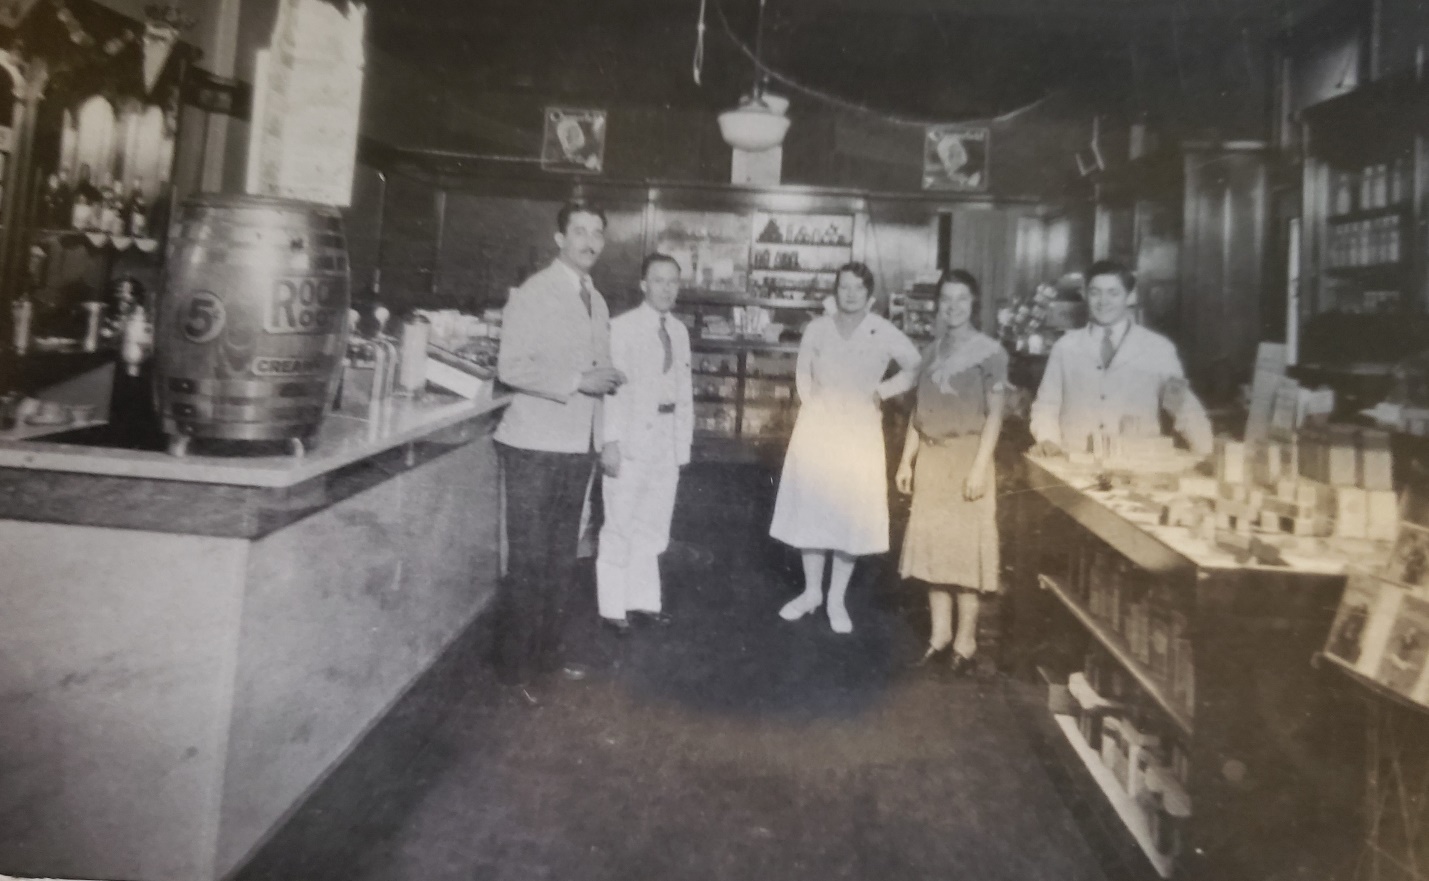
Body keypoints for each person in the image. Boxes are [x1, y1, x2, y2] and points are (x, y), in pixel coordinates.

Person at [493, 200, 626, 696]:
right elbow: (511, 368)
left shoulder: (597, 298)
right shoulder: (534, 292)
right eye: (579, 232)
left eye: (597, 233)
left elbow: (598, 372)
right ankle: (517, 671)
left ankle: (546, 658)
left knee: (560, 559)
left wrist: (606, 387)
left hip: (576, 447)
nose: (589, 242)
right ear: (559, 238)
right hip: (532, 446)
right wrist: (579, 380)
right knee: (529, 561)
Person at [770, 261, 922, 634]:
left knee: (849, 514)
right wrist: (811, 404)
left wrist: (881, 392)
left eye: (857, 288)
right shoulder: (818, 327)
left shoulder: (882, 330)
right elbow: (803, 370)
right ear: (835, 291)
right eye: (843, 287)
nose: (849, 294)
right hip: (818, 430)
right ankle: (811, 593)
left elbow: (915, 366)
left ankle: (836, 598)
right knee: (813, 510)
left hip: (859, 433)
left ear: (870, 295)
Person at [895, 270, 1007, 676]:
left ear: (973, 303)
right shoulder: (930, 352)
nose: (953, 307)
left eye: (961, 299)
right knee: (934, 554)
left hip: (967, 460)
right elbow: (917, 413)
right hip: (931, 461)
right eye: (946, 299)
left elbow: (995, 416)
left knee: (964, 556)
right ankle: (939, 637)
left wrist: (979, 468)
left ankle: (967, 641)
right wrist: (907, 460)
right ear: (937, 304)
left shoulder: (990, 352)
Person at [596, 253, 693, 633]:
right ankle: (612, 608)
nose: (667, 288)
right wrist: (610, 442)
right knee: (620, 522)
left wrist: (681, 446)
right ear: (643, 284)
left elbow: (684, 391)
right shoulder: (622, 328)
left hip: (666, 442)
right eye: (658, 280)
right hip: (630, 439)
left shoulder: (680, 332)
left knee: (653, 524)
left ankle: (643, 601)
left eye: (673, 281)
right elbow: (611, 392)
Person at [1030, 260, 1212, 458]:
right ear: (1085, 295)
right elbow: (1046, 405)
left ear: (1131, 296)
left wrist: (1207, 452)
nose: (1103, 301)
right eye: (1095, 292)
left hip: (1137, 462)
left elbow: (1182, 405)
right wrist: (1049, 442)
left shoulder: (1158, 349)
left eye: (1113, 293)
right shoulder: (1065, 347)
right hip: (1073, 459)